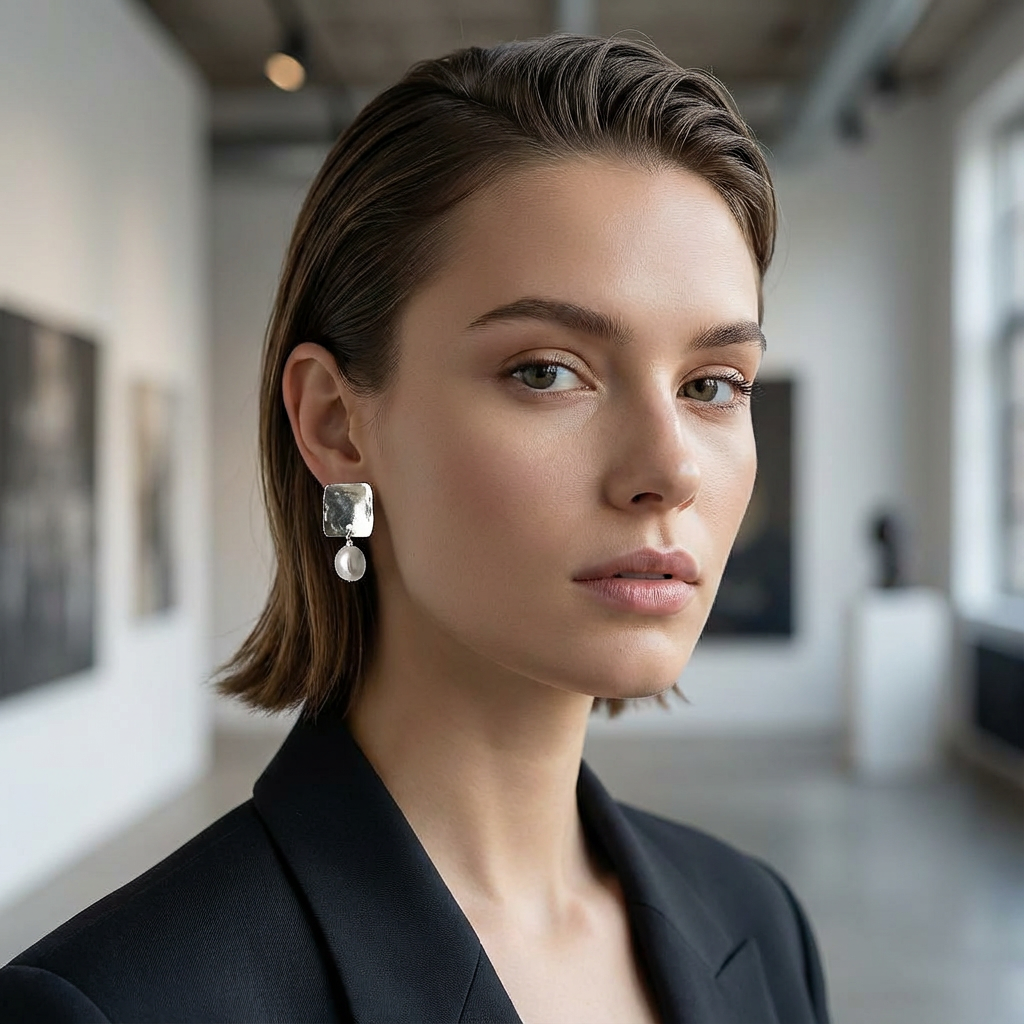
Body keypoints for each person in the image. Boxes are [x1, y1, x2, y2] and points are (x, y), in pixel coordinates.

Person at [0, 33, 830, 1024]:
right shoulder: (118, 1003)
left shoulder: (759, 921)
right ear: (336, 423)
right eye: (546, 370)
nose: (668, 469)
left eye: (712, 384)